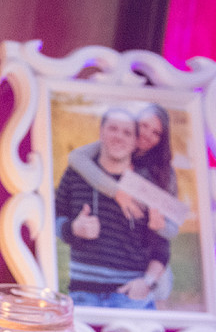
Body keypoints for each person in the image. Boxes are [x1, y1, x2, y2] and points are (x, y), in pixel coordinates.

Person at [55, 108, 170, 309]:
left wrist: (146, 283)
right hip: (83, 294)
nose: (119, 136)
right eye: (113, 129)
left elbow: (161, 249)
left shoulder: (148, 187)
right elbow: (51, 219)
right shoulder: (76, 174)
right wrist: (73, 228)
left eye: (127, 133)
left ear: (136, 142)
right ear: (101, 132)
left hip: (131, 297)